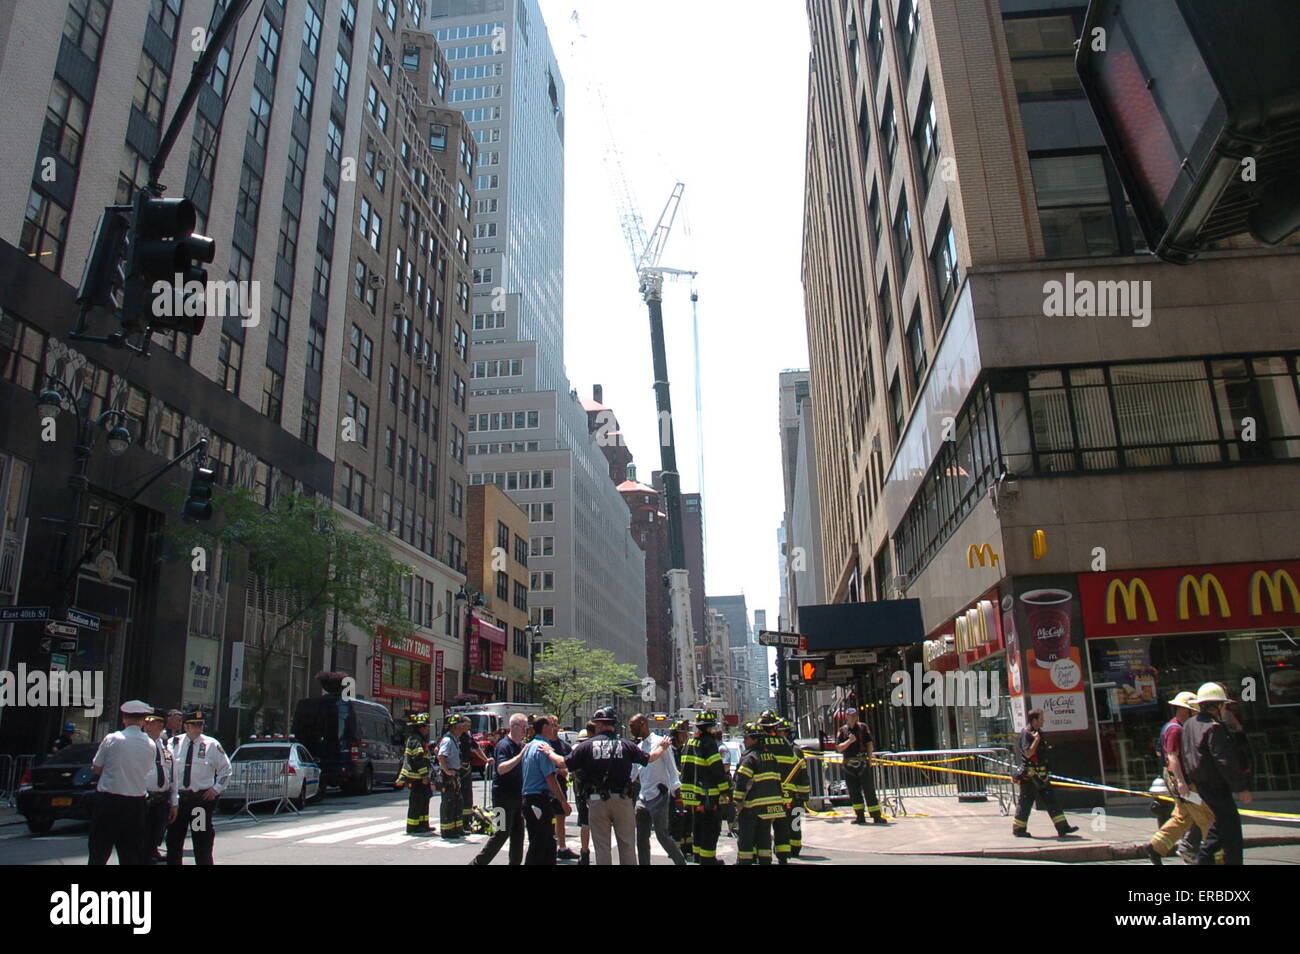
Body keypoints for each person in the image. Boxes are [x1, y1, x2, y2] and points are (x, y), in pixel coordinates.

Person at [566, 707, 672, 865]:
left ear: (598, 725)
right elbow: (649, 758)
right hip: (623, 800)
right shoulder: (626, 745)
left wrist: (548, 752)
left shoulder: (587, 746)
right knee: (627, 844)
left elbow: (563, 763)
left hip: (597, 801)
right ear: (614, 725)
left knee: (602, 847)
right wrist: (662, 747)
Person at [1181, 682, 1252, 865]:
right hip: (1216, 786)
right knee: (1231, 830)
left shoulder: (1190, 724)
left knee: (1220, 826)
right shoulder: (1213, 727)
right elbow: (1223, 760)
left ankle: (1204, 860)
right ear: (1218, 706)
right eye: (1224, 705)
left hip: (1201, 784)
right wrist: (1241, 787)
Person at [1146, 691, 1213, 864]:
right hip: (1184, 782)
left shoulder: (1173, 726)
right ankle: (1216, 856)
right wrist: (1182, 783)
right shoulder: (1176, 730)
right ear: (1187, 710)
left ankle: (1156, 847)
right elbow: (1172, 757)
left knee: (1182, 817)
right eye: (1194, 709)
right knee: (1206, 817)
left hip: (1179, 780)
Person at [88, 700, 157, 866]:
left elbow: (96, 768)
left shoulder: (112, 739)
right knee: (131, 853)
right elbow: (148, 770)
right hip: (136, 803)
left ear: (124, 719)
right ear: (143, 720)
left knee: (99, 850)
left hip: (109, 801)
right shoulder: (151, 744)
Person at [166, 711, 231, 865]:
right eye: (194, 724)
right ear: (186, 726)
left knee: (201, 842)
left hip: (198, 803)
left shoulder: (211, 744)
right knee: (174, 842)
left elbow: (225, 770)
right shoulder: (173, 743)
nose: (198, 727)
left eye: (201, 724)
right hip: (179, 802)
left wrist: (216, 789)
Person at [471, 713, 532, 865]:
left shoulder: (520, 745)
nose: (525, 730)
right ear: (513, 727)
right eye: (523, 727)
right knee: (501, 833)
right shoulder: (503, 745)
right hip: (502, 798)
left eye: (526, 727)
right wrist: (520, 756)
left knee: (518, 835)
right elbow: (501, 769)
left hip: (518, 797)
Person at [1011, 708, 1079, 839]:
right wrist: (1036, 740)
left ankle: (1062, 827)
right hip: (1030, 775)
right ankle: (1019, 829)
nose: (1043, 721)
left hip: (1042, 774)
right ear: (1034, 720)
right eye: (1041, 718)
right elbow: (1028, 753)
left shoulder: (1039, 732)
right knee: (1026, 802)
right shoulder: (1027, 733)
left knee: (1052, 800)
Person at [630, 713, 688, 866]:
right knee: (641, 837)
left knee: (662, 836)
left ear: (643, 723)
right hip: (643, 798)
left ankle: (680, 862)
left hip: (659, 797)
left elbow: (672, 770)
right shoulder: (639, 748)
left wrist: (678, 796)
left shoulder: (661, 743)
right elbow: (633, 774)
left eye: (632, 725)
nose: (631, 729)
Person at [680, 710, 731, 865]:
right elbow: (716, 769)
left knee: (697, 826)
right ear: (710, 727)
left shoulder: (690, 742)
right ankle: (708, 859)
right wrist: (725, 790)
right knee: (710, 828)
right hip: (708, 795)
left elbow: (683, 767)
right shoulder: (709, 743)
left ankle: (697, 856)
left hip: (692, 795)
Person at [734, 723, 787, 864]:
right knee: (764, 841)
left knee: (746, 842)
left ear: (755, 739)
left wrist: (737, 802)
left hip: (751, 808)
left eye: (746, 738)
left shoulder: (750, 758)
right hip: (768, 810)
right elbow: (777, 781)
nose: (744, 741)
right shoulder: (771, 757)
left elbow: (741, 782)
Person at [521, 715, 570, 864]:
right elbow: (550, 778)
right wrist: (563, 802)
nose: (555, 728)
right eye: (551, 725)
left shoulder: (531, 745)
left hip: (533, 799)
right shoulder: (543, 748)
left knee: (548, 843)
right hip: (538, 800)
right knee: (539, 844)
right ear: (544, 728)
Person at [836, 707, 886, 825]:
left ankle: (876, 816)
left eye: (855, 715)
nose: (853, 718)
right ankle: (860, 816)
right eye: (851, 716)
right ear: (846, 717)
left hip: (862, 763)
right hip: (849, 764)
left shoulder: (863, 727)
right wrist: (849, 741)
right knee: (854, 791)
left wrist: (869, 759)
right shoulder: (842, 730)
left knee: (869, 790)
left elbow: (869, 744)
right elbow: (838, 748)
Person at [774, 716, 810, 857]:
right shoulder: (793, 749)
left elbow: (802, 774)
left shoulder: (793, 750)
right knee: (790, 823)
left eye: (780, 732)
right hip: (790, 794)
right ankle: (791, 849)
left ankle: (792, 848)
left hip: (791, 794)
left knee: (791, 823)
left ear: (786, 733)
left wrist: (803, 795)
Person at [141, 709, 174, 863]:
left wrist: (175, 802)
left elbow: (173, 777)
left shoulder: (166, 747)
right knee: (142, 836)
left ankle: (152, 851)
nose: (147, 726)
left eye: (152, 723)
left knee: (157, 833)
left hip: (162, 799)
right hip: (145, 798)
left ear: (161, 725)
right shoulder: (140, 744)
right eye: (146, 723)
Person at [546, 717, 581, 861]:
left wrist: (563, 770)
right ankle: (548, 847)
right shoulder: (543, 744)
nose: (553, 727)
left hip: (560, 786)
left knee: (560, 818)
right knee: (547, 819)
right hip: (545, 788)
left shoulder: (564, 746)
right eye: (550, 725)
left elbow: (568, 765)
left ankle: (562, 847)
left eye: (555, 725)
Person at [397, 712, 435, 835]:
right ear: (421, 727)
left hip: (420, 778)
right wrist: (424, 775)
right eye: (426, 727)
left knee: (424, 801)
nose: (428, 729)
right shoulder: (415, 740)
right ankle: (413, 826)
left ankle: (423, 824)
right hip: (417, 778)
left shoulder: (418, 739)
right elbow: (418, 759)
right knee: (417, 802)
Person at [437, 715, 471, 839]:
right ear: (455, 727)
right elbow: (441, 756)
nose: (463, 728)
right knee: (449, 803)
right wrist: (446, 770)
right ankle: (447, 831)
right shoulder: (447, 740)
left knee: (458, 802)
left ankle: (457, 828)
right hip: (448, 777)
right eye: (461, 725)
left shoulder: (455, 739)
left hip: (455, 775)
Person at [668, 719, 692, 858]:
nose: (685, 737)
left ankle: (686, 846)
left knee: (687, 820)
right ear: (675, 735)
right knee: (676, 820)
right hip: (673, 790)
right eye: (682, 734)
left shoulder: (684, 748)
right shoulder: (670, 750)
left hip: (685, 790)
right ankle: (675, 850)